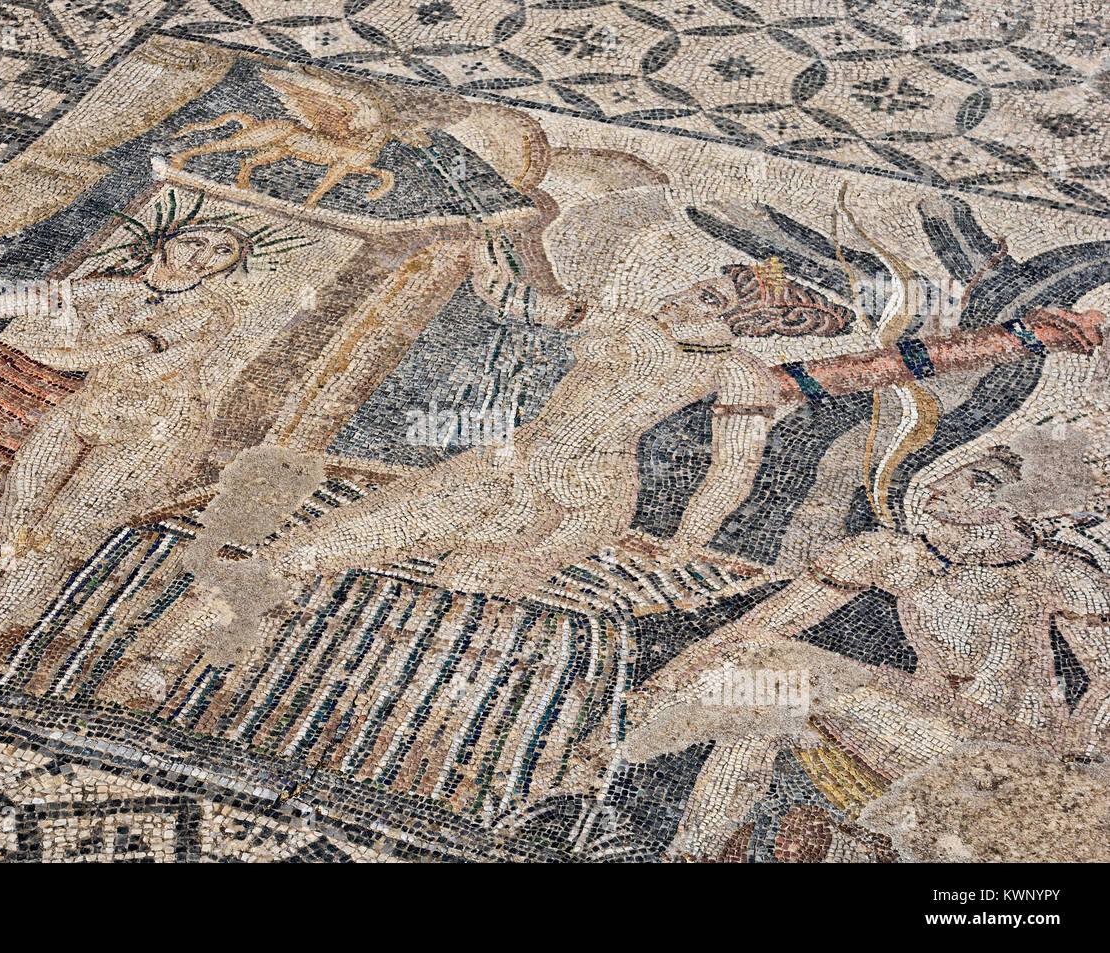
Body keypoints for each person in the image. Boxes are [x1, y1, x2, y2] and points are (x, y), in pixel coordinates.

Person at [254, 264, 856, 600]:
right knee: (319, 545)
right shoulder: (626, 323)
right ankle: (199, 623)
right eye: (695, 283)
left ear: (737, 317)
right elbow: (511, 297)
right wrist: (489, 241)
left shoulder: (738, 374)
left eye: (703, 292)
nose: (677, 291)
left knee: (468, 582)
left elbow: (731, 472)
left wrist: (684, 543)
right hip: (510, 460)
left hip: (587, 496)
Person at [637, 446, 1110, 854]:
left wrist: (1079, 767)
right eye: (947, 468)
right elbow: (759, 628)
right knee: (765, 697)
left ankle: (644, 790)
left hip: (1006, 750)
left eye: (980, 479)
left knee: (783, 682)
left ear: (1023, 499)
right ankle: (690, 853)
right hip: (914, 722)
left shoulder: (1060, 574)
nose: (943, 485)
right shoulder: (891, 555)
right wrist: (666, 682)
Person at [0, 220, 288, 676]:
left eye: (221, 253)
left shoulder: (212, 311)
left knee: (52, 541)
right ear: (164, 244)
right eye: (194, 241)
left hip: (154, 429)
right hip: (86, 410)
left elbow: (120, 352)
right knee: (12, 529)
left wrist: (18, 355)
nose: (203, 254)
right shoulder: (102, 290)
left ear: (223, 270)